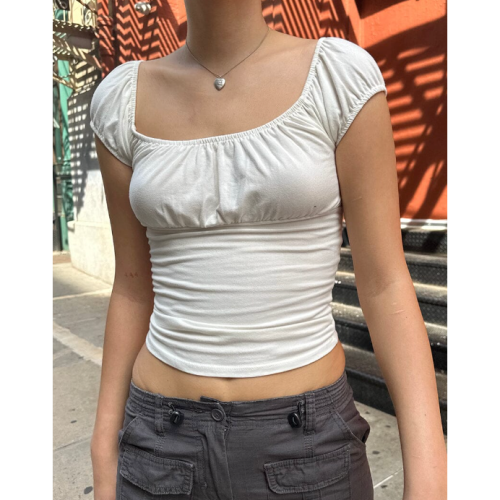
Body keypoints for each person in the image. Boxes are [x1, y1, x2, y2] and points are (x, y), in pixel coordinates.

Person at [89, 2, 447, 499]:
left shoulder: (338, 77)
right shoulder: (119, 101)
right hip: (159, 447)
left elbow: (385, 283)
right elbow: (132, 287)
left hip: (308, 449)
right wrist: (103, 445)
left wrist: (429, 471)